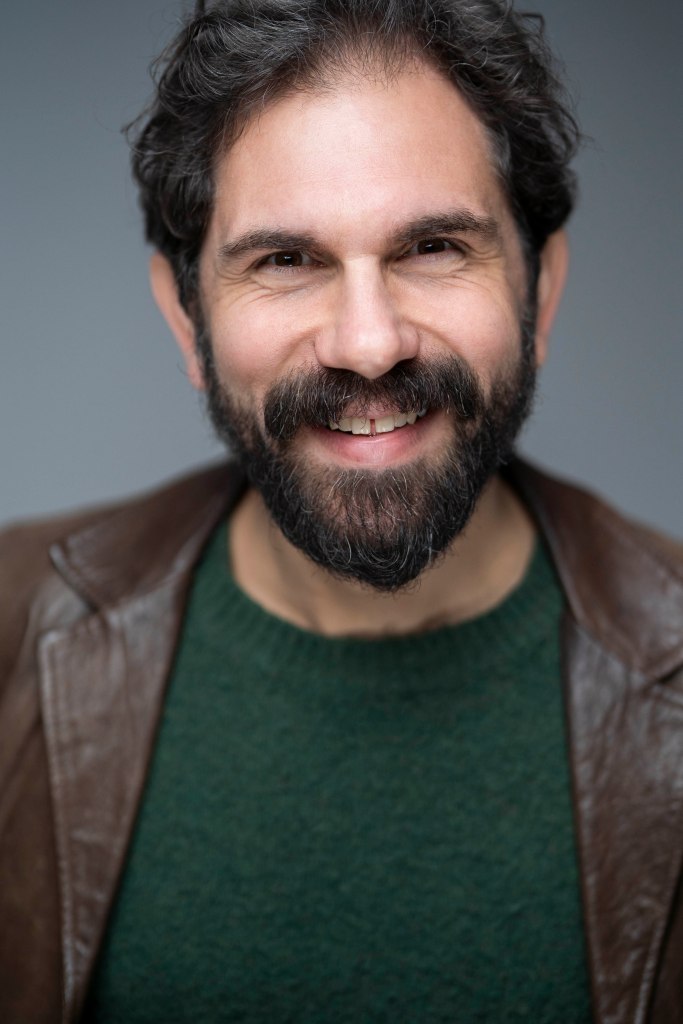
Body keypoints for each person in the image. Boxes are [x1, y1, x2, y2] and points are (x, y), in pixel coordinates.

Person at [1, 0, 682, 1021]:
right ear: (185, 320)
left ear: (537, 294)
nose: (368, 345)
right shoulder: (10, 620)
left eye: (432, 247)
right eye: (286, 261)